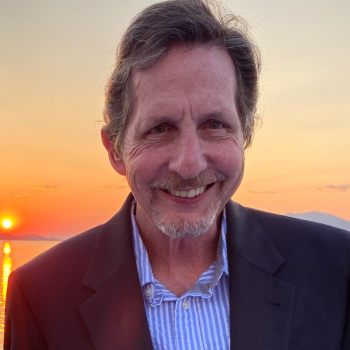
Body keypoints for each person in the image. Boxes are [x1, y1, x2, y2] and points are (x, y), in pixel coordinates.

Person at [5, 0, 350, 349]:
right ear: (115, 149)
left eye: (214, 125)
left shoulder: (337, 272)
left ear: (244, 135)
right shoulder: (39, 297)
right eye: (159, 129)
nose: (189, 164)